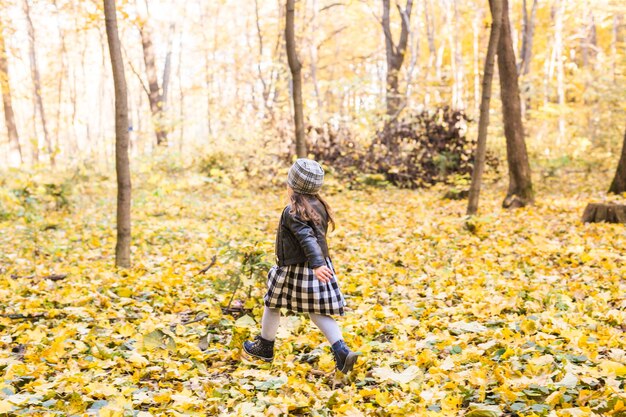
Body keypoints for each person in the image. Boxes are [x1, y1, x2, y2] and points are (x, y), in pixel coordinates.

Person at [242, 159, 359, 373]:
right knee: (318, 311)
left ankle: (265, 347)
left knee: (272, 303)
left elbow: (307, 238)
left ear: (292, 185)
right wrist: (319, 263)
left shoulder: (293, 211)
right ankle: (341, 351)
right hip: (318, 266)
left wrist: (315, 263)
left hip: (296, 268)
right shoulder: (320, 205)